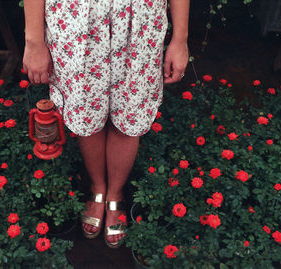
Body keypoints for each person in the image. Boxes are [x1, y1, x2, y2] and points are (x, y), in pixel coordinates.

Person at [23, 0, 189, 248]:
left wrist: (180, 39)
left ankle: (115, 194)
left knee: (129, 116)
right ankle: (98, 188)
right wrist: (34, 41)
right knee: (87, 115)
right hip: (77, 22)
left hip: (140, 23)